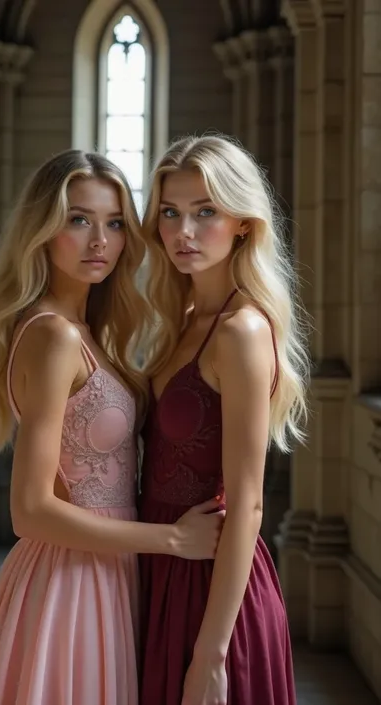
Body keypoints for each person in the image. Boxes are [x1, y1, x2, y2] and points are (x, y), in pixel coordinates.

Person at [0, 149, 224, 705]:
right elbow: (29, 510)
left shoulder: (85, 331)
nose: (99, 240)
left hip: (108, 572)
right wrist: (172, 540)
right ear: (44, 229)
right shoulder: (54, 336)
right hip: (68, 581)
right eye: (78, 220)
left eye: (114, 224)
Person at [139, 135, 309, 705]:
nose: (183, 231)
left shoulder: (241, 331)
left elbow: (249, 502)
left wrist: (211, 654)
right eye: (170, 213)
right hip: (162, 564)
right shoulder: (179, 320)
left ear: (242, 222)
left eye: (205, 212)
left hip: (213, 586)